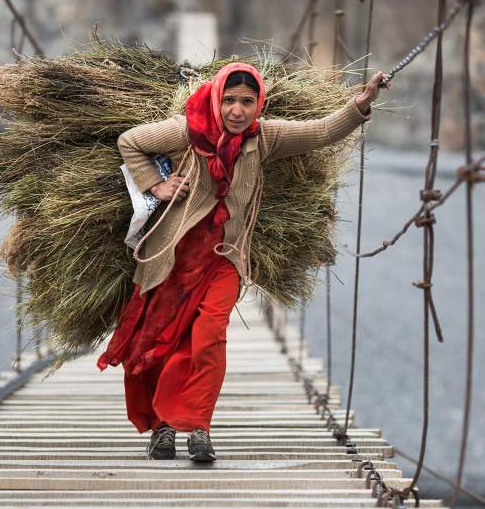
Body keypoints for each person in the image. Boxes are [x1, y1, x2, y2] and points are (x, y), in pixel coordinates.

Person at [97, 61, 390, 462]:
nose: (237, 111)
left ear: (258, 104)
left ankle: (198, 426)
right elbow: (130, 140)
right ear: (217, 99)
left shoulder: (263, 137)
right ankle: (162, 429)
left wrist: (362, 103)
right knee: (160, 342)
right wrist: (158, 185)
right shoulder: (186, 130)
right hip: (169, 256)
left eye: (247, 102)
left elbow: (321, 132)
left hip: (222, 258)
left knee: (208, 336)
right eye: (230, 100)